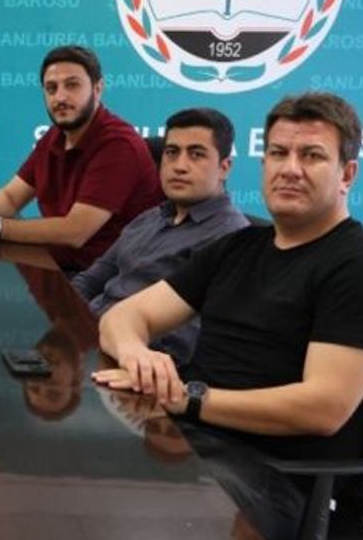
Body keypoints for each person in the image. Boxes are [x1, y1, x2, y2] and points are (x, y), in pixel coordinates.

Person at [94, 92, 363, 540]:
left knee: (116, 512)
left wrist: (189, 399)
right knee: (74, 465)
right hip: (195, 440)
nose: (290, 169)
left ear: (347, 174)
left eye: (312, 156)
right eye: (278, 153)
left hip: (274, 480)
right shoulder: (238, 247)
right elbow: (126, 315)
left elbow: (323, 407)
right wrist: (136, 354)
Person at [0, 45, 162, 270]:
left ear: (98, 89)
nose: (60, 97)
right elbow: (10, 198)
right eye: (51, 88)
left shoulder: (118, 145)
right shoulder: (55, 137)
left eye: (72, 85)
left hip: (111, 278)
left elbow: (75, 231)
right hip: (60, 267)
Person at [72, 107, 250, 364]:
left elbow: (181, 340)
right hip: (86, 339)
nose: (179, 166)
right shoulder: (149, 218)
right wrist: (64, 320)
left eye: (196, 154)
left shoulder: (231, 239)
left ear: (224, 167)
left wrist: (103, 335)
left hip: (132, 362)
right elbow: (90, 280)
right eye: (172, 152)